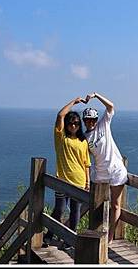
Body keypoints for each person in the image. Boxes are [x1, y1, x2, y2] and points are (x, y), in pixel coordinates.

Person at [43, 97, 91, 249]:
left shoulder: (83, 141)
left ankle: (69, 240)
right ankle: (49, 236)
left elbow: (86, 163)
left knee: (75, 212)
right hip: (62, 181)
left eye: (76, 123)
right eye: (71, 123)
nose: (73, 125)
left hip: (79, 180)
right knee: (59, 210)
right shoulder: (61, 138)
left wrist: (88, 182)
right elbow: (60, 115)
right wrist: (74, 102)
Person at [82, 92, 128, 243]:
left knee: (115, 205)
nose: (91, 122)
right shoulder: (84, 138)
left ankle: (110, 236)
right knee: (96, 205)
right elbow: (83, 159)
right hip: (100, 174)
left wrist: (96, 95)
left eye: (93, 119)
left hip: (116, 170)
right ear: (84, 121)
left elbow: (111, 106)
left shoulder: (103, 124)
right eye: (87, 120)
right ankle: (95, 234)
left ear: (96, 119)